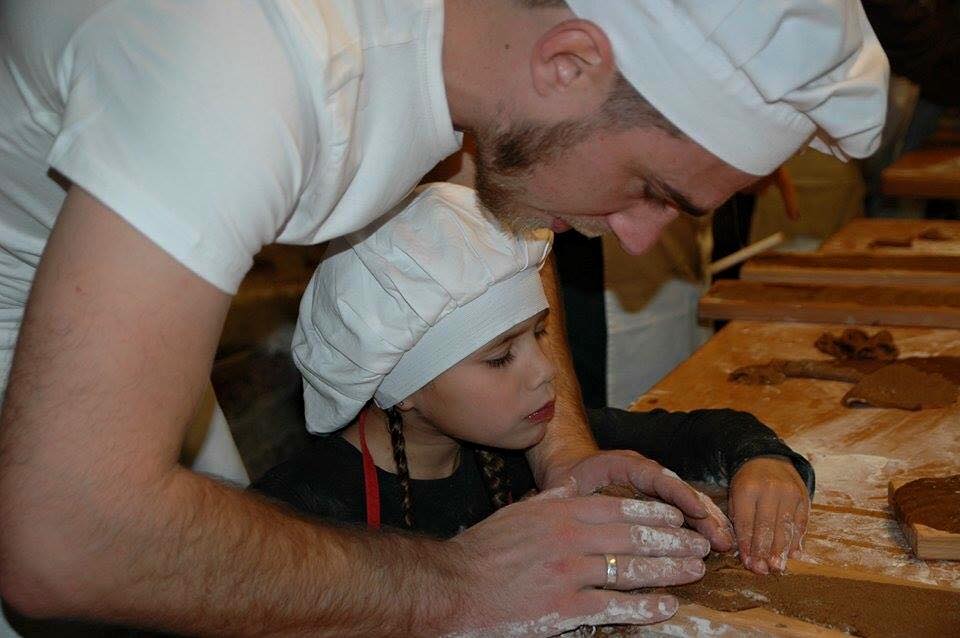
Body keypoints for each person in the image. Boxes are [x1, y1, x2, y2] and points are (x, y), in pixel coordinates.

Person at [0, 1, 886, 635]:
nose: (641, 239)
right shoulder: (243, 71)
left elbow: (500, 236)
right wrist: (458, 583)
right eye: (651, 189)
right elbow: (63, 541)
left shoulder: (479, 49)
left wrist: (563, 453)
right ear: (568, 62)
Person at [253, 183, 814, 579]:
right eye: (501, 357)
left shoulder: (512, 444)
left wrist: (761, 461)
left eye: (540, 335)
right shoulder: (296, 514)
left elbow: (704, 434)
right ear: (404, 385)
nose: (545, 371)